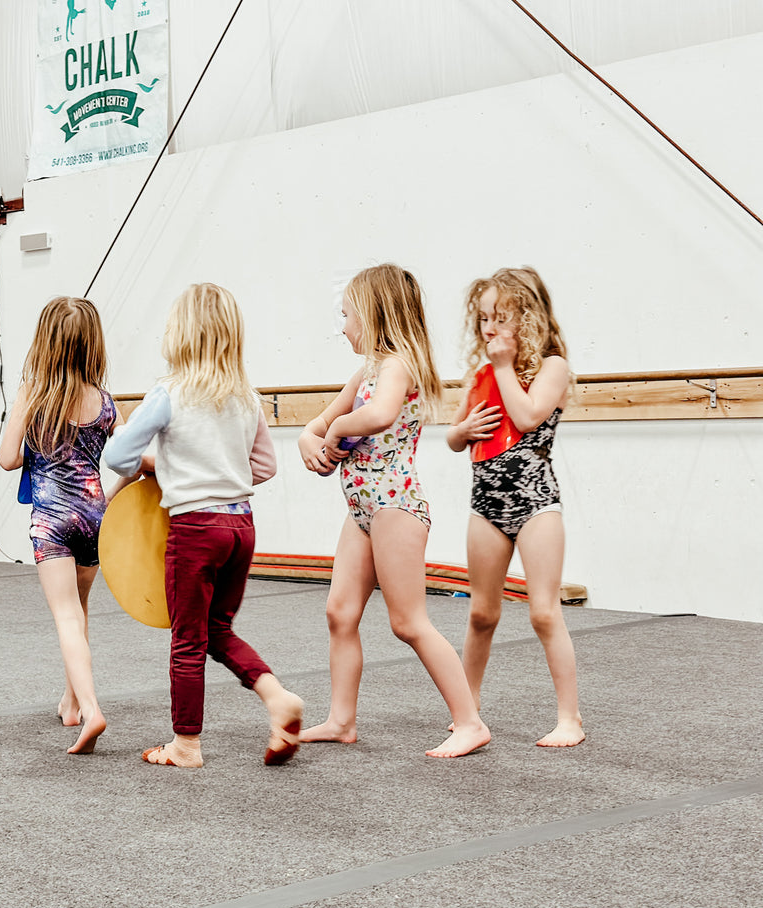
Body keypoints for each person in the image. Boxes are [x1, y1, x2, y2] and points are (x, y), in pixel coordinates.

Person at [103, 283, 304, 769]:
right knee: (217, 629)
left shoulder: (169, 392)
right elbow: (264, 467)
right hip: (240, 525)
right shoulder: (246, 396)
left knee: (187, 639)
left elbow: (117, 455)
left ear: (180, 335)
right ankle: (277, 697)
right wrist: (220, 470)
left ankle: (186, 745)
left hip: (195, 529)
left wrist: (162, 466)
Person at [298, 264, 489, 758]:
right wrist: (309, 438)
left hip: (395, 506)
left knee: (408, 622)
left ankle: (469, 721)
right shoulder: (366, 371)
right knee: (340, 612)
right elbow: (319, 421)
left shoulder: (399, 363)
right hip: (361, 509)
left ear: (374, 314)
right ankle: (341, 720)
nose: (343, 327)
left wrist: (337, 433)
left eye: (347, 315)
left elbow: (380, 414)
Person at [446, 266, 584, 747]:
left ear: (527, 317)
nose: (488, 328)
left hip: (535, 502)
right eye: (483, 317)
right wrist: (460, 433)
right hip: (486, 504)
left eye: (500, 317)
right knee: (481, 613)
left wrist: (505, 368)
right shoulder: (479, 375)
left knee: (544, 612)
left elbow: (526, 418)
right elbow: (453, 435)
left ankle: (570, 718)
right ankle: (470, 710)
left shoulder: (553, 367)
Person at [0, 296, 115, 755]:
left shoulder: (33, 394)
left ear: (44, 343)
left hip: (51, 519)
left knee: (66, 617)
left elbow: (8, 459)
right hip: (94, 517)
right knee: (80, 611)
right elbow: (127, 455)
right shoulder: (104, 401)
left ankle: (91, 707)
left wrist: (36, 441)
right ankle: (70, 701)